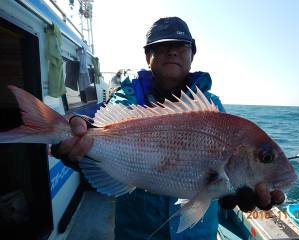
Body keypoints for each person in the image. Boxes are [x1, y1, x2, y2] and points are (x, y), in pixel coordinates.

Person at [51, 17, 285, 239]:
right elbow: (102, 121)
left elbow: (215, 186)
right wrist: (80, 134)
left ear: (192, 53)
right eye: (162, 46)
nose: (173, 51)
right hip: (136, 232)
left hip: (198, 235)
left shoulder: (214, 108)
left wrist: (228, 191)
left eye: (181, 46)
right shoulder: (127, 97)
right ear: (147, 56)